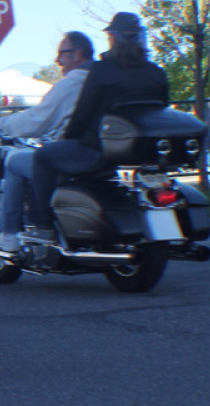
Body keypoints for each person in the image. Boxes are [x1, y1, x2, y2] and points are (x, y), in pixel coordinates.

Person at [27, 12, 170, 242]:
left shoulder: (102, 70)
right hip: (142, 154)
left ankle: (42, 227)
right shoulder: (156, 73)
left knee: (43, 157)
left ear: (112, 37)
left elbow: (84, 111)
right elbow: (161, 112)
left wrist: (69, 139)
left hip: (100, 151)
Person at [0, 31, 94, 251]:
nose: (58, 60)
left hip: (76, 156)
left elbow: (37, 120)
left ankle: (10, 234)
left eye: (62, 53)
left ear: (78, 55)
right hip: (102, 155)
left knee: (14, 161)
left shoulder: (73, 83)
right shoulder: (103, 79)